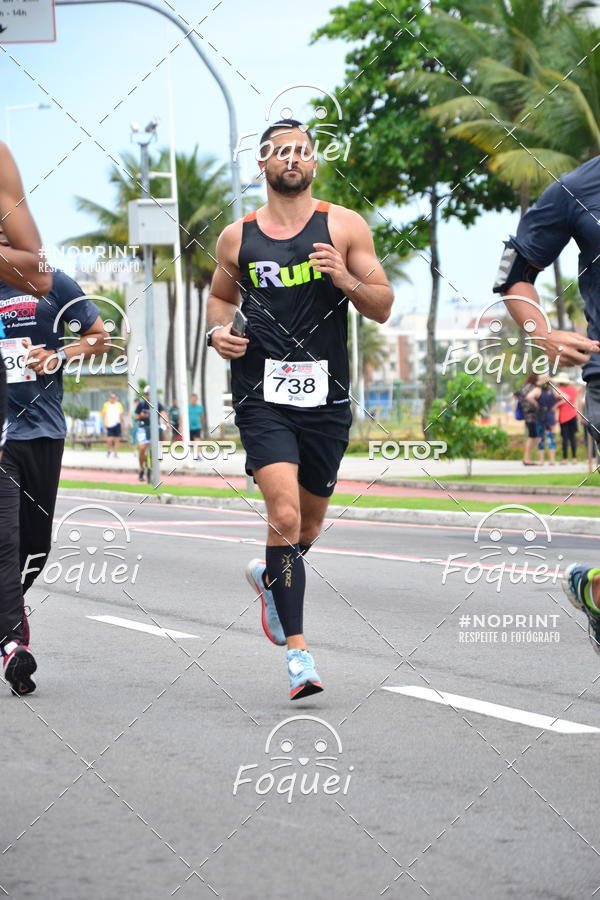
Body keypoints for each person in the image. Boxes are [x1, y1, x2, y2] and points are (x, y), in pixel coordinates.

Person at [206, 118, 393, 700]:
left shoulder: (343, 226)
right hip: (262, 395)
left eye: (303, 152)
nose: (294, 159)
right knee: (283, 517)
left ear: (315, 163)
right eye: (281, 152)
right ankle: (299, 657)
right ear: (261, 165)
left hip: (325, 398)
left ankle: (271, 577)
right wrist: (218, 333)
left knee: (307, 526)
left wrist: (344, 278)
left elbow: (383, 304)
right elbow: (219, 297)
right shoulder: (237, 237)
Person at [0, 267, 106, 694]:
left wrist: (58, 356)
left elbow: (99, 337)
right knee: (5, 541)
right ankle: (12, 644)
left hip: (44, 431)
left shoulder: (49, 283)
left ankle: (7, 608)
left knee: (36, 549)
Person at [134, 385, 168, 481]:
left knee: (163, 433)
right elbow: (135, 418)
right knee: (142, 448)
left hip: (155, 428)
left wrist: (166, 422)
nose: (149, 396)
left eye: (151, 394)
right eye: (148, 394)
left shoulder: (158, 404)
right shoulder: (141, 405)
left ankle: (159, 452)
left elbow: (163, 414)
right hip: (143, 429)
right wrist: (141, 416)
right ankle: (141, 468)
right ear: (145, 395)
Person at [514, 373, 541, 465]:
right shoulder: (533, 388)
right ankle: (527, 459)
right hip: (533, 414)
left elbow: (514, 395)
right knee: (532, 437)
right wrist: (535, 404)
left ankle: (527, 458)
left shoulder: (523, 387)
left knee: (533, 436)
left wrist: (522, 403)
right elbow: (529, 398)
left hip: (526, 414)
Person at [553, 374, 580, 463]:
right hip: (573, 415)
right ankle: (574, 458)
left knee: (565, 438)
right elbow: (575, 400)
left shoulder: (558, 390)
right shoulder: (573, 388)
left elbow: (561, 399)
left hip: (563, 417)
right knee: (572, 437)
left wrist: (556, 405)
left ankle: (565, 459)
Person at [536, 381, 557, 465]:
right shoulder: (553, 392)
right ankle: (552, 460)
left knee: (541, 439)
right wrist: (555, 405)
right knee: (551, 438)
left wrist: (536, 405)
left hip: (540, 416)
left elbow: (529, 397)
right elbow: (565, 396)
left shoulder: (538, 391)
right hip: (550, 416)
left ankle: (541, 461)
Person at [101, 391, 124, 456]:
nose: (112, 398)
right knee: (109, 439)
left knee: (117, 439)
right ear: (109, 398)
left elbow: (121, 414)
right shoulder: (106, 405)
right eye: (111, 397)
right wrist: (104, 422)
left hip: (117, 424)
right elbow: (103, 414)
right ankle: (109, 450)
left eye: (114, 397)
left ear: (116, 398)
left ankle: (116, 452)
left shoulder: (119, 405)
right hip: (109, 424)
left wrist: (122, 423)